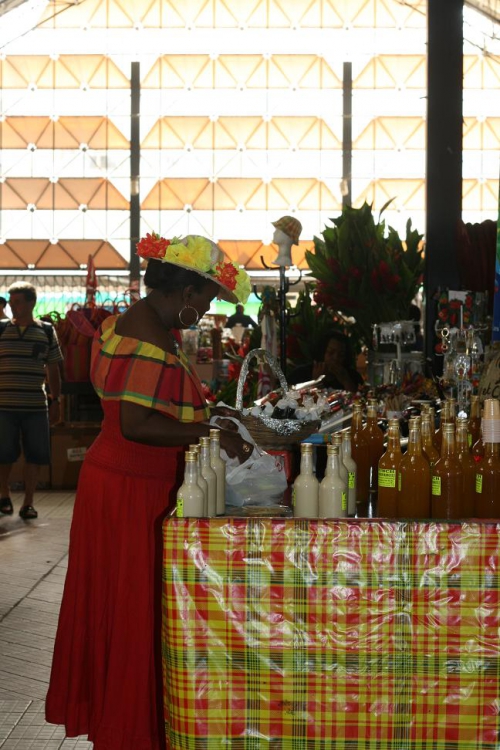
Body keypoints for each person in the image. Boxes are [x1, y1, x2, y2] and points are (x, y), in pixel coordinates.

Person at [46, 234, 253, 750]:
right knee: (137, 611)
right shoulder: (148, 341)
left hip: (116, 480)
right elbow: (136, 423)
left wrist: (208, 415)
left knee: (126, 608)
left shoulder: (127, 325)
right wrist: (209, 432)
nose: (205, 312)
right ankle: (131, 728)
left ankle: (129, 720)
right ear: (184, 290)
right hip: (132, 486)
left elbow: (144, 409)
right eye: (204, 300)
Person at [0, 282, 63, 519]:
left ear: (31, 303)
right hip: (3, 406)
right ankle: (4, 495)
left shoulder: (46, 331)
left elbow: (54, 368)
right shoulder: (1, 330)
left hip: (35, 406)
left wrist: (56, 399)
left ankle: (28, 502)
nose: (12, 306)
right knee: (3, 453)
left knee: (35, 455)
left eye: (17, 302)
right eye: (11, 302)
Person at [288, 331, 363, 392]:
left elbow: (359, 401)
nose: (335, 358)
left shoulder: (353, 376)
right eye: (331, 352)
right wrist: (316, 382)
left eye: (341, 355)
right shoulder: (300, 374)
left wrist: (346, 381)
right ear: (322, 352)